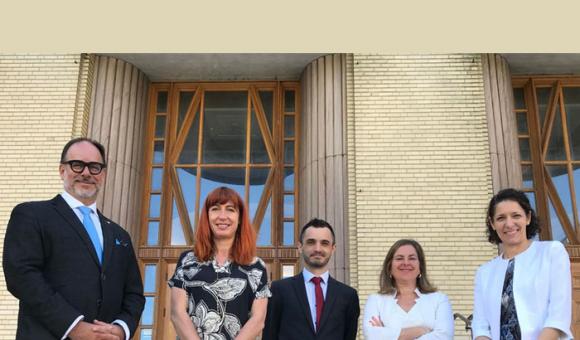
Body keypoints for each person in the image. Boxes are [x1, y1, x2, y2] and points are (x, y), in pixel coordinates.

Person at [2, 138, 145, 340]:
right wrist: (73, 326)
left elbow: (134, 294)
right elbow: (21, 276)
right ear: (62, 170)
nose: (86, 173)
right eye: (77, 165)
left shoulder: (120, 235)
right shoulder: (32, 215)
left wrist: (121, 330)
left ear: (102, 175)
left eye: (94, 167)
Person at [168, 186, 270, 340]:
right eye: (215, 209)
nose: (222, 216)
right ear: (207, 216)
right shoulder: (187, 261)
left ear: (240, 217)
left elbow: (258, 320)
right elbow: (177, 313)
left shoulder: (256, 267)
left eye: (230, 209)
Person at [472, 188, 573, 340]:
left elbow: (558, 315)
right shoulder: (484, 272)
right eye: (500, 218)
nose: (509, 223)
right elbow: (480, 325)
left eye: (516, 215)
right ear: (492, 224)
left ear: (528, 217)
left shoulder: (552, 252)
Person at [263, 218, 360, 340]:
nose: (317, 249)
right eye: (311, 242)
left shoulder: (348, 295)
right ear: (300, 247)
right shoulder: (279, 289)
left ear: (333, 248)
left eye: (324, 243)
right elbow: (269, 335)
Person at [363, 239, 454, 340]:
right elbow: (371, 335)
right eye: (399, 258)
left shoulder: (439, 299)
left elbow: (444, 336)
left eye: (412, 258)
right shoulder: (376, 300)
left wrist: (387, 334)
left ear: (420, 267)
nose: (406, 263)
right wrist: (421, 330)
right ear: (389, 267)